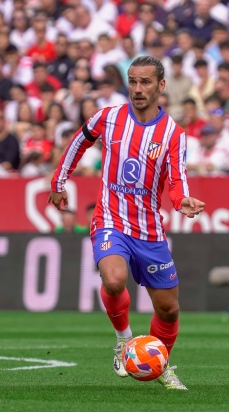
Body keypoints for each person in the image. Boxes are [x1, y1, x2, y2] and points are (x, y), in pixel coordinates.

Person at [48, 56, 205, 390]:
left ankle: (160, 364)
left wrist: (182, 201)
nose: (138, 88)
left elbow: (177, 180)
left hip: (149, 230)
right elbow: (79, 141)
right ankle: (124, 340)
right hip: (110, 219)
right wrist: (59, 181)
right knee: (114, 279)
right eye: (133, 81)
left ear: (161, 85)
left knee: (169, 309)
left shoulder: (173, 134)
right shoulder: (108, 117)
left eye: (145, 82)